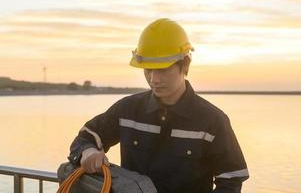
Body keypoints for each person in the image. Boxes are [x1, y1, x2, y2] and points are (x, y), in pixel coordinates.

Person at [68, 18, 249, 193]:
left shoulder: (212, 121)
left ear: (185, 65)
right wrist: (88, 151)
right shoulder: (127, 110)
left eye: (162, 69)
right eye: (148, 70)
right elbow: (85, 138)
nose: (154, 79)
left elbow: (231, 181)